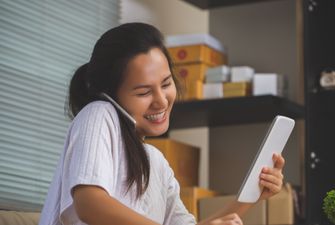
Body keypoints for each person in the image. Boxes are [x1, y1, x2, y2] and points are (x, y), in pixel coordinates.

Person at [39, 22, 285, 225]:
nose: (161, 101)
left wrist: (252, 195)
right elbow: (90, 203)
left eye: (166, 84)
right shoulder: (98, 113)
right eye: (144, 92)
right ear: (111, 95)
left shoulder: (156, 162)